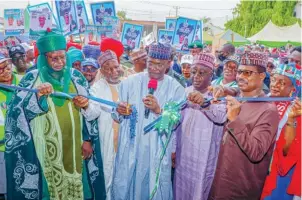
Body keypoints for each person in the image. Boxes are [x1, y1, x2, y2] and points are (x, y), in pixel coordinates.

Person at [4, 29, 106, 200]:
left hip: (75, 146)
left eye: (63, 57)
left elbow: (91, 111)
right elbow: (17, 116)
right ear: (44, 58)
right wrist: (38, 97)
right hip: (45, 147)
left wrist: (87, 138)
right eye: (54, 58)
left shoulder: (77, 78)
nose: (60, 62)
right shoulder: (31, 79)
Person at [111, 43, 185, 200]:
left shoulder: (176, 88)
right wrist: (120, 111)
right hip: (131, 147)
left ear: (168, 64)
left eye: (160, 64)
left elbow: (175, 120)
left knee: (154, 186)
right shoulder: (129, 83)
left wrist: (159, 110)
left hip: (156, 148)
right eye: (151, 63)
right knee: (127, 184)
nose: (155, 68)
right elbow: (116, 113)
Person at [208, 52, 279, 200]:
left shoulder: (268, 110)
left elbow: (256, 151)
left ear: (262, 76)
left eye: (247, 73)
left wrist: (235, 119)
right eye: (240, 72)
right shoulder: (238, 99)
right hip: (220, 179)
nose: (241, 76)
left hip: (241, 188)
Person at [173, 53, 227, 200]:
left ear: (211, 75)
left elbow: (222, 117)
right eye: (194, 71)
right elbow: (175, 122)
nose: (196, 76)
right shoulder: (184, 92)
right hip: (183, 152)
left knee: (200, 189)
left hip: (204, 156)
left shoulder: (216, 94)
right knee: (180, 188)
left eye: (202, 73)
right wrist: (172, 149)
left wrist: (205, 103)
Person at [82, 50, 122, 200]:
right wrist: (86, 106)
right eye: (108, 68)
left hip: (125, 140)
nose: (113, 71)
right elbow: (93, 113)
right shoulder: (97, 88)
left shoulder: (127, 85)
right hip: (107, 140)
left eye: (115, 67)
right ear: (102, 71)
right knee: (108, 176)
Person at [261, 63, 301, 200]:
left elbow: (288, 149)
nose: (275, 85)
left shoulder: (295, 110)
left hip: (278, 169)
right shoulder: (261, 99)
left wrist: (292, 119)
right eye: (273, 80)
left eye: (282, 82)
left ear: (292, 89)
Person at [0, 53, 19, 200]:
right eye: (1, 69)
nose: (6, 71)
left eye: (7, 66)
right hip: (2, 148)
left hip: (22, 146)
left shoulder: (22, 83)